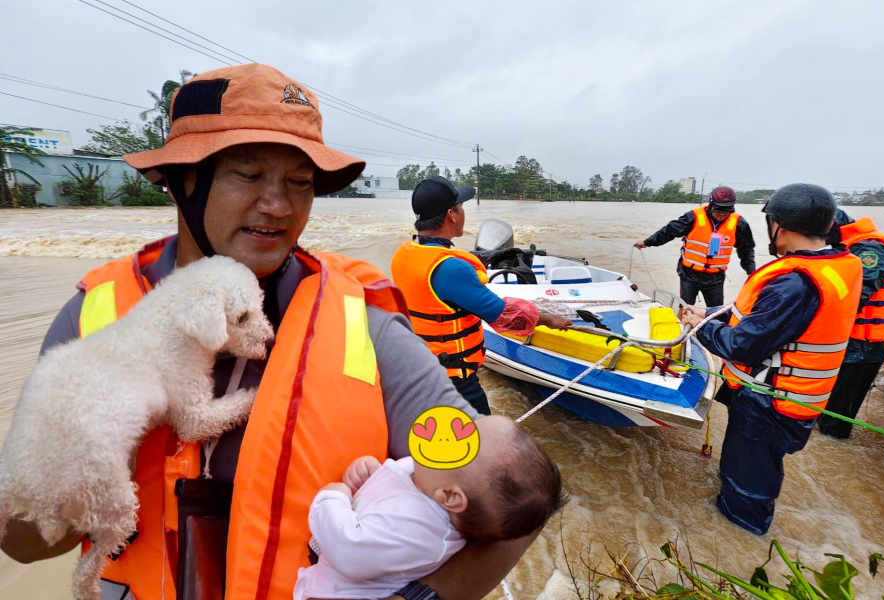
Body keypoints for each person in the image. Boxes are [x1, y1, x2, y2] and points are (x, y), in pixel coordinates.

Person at [1, 64, 534, 600]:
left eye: (300, 182)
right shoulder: (92, 320)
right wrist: (69, 463)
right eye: (248, 175)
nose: (279, 206)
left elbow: (516, 499)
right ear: (181, 181)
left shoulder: (367, 328)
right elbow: (23, 544)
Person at [680, 184, 862, 535]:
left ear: (781, 226)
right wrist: (710, 312)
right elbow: (761, 318)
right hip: (795, 398)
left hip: (768, 405)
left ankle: (740, 537)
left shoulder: (793, 283)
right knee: (757, 469)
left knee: (746, 485)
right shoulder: (836, 265)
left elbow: (741, 346)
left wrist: (698, 326)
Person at [295, 415, 567, 600]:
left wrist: (335, 495)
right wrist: (369, 476)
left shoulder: (417, 531)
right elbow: (395, 488)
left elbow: (349, 548)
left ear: (450, 497)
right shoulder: (434, 485)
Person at [391, 176, 572, 415]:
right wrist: (549, 319)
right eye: (461, 207)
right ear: (451, 215)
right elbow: (503, 315)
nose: (463, 213)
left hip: (421, 368)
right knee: (481, 442)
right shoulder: (452, 268)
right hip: (454, 380)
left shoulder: (405, 254)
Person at [818, 209, 884, 438]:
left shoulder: (873, 248)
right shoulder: (848, 247)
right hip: (848, 341)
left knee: (836, 419)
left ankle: (833, 453)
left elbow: (857, 294)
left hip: (863, 347)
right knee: (824, 407)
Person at [634, 186, 755, 306]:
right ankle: (683, 323)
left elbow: (746, 249)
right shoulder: (694, 216)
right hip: (689, 274)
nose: (722, 214)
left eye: (727, 211)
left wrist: (751, 272)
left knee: (716, 312)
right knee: (686, 308)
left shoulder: (739, 223)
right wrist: (647, 242)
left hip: (715, 278)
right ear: (711, 205)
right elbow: (670, 231)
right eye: (718, 210)